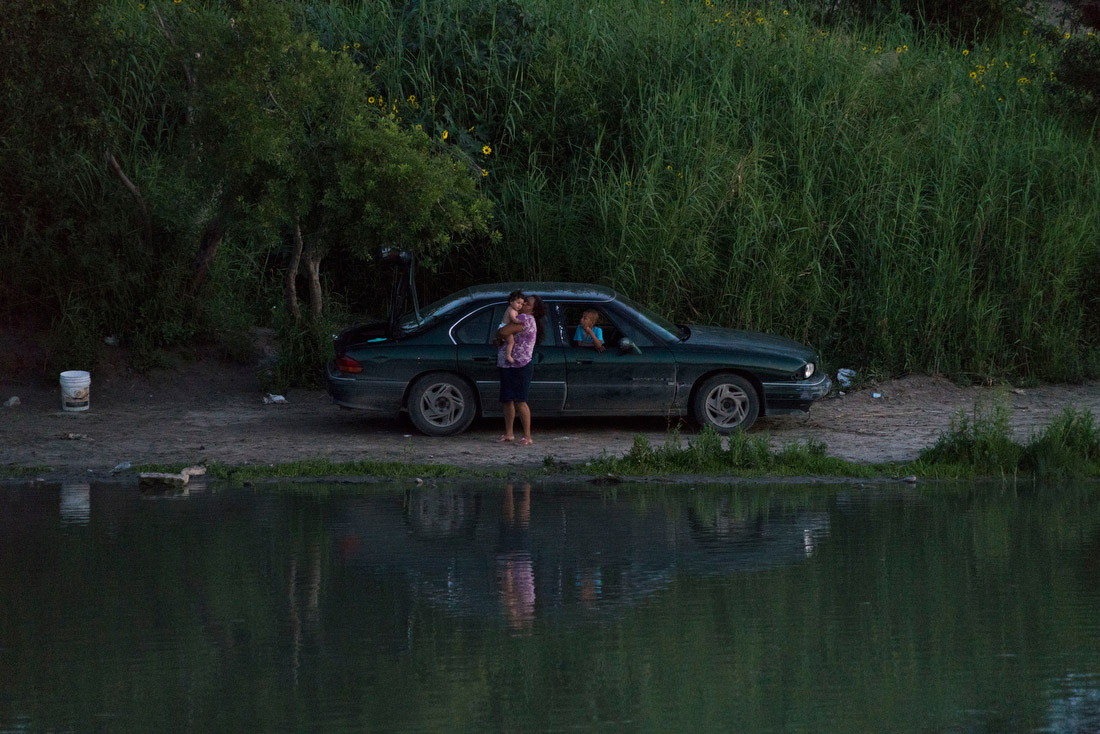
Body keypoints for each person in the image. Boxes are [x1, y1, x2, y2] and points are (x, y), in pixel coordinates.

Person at [495, 294, 545, 446]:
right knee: (507, 400)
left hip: (521, 364)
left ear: (534, 310)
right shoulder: (518, 316)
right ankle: (509, 433)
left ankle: (527, 436)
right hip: (507, 363)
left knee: (520, 401)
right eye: (522, 302)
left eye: (527, 304)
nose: (523, 305)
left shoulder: (526, 319)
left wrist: (500, 332)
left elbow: (503, 332)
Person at [499, 290, 525, 364]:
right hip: (505, 328)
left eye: (522, 304)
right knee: (511, 342)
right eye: (518, 303)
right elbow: (514, 319)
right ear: (511, 302)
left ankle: (503, 341)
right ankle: (508, 356)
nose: (520, 306)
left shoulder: (513, 309)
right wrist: (521, 322)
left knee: (509, 341)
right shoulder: (511, 310)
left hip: (505, 327)